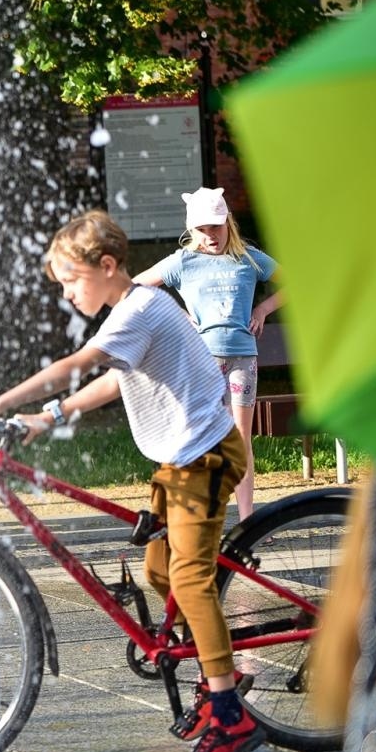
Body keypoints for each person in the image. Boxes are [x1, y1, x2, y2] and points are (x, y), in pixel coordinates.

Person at [0, 210, 260, 752]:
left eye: (71, 281)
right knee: (162, 572)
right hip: (179, 459)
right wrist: (50, 416)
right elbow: (116, 378)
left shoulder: (139, 307)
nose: (66, 293)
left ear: (107, 266)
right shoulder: (132, 312)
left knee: (188, 579)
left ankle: (230, 714)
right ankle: (218, 671)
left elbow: (79, 364)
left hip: (204, 459)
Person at [133, 187, 281, 522]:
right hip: (203, 363)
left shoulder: (248, 258)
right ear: (192, 230)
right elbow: (135, 287)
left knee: (241, 439)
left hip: (243, 359)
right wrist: (178, 315)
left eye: (216, 225)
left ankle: (247, 519)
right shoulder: (183, 262)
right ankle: (205, 514)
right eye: (202, 228)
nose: (211, 235)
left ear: (228, 220)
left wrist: (263, 309)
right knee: (204, 437)